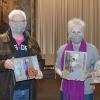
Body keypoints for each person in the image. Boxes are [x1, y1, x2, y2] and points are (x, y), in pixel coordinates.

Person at [0, 9, 43, 100]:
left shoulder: (32, 41)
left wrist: (39, 71)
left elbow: (39, 61)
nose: (19, 24)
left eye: (22, 21)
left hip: (29, 89)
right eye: (16, 21)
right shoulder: (1, 40)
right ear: (10, 22)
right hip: (8, 90)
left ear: (25, 22)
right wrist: (4, 64)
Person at [55, 18, 99, 100]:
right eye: (73, 32)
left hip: (86, 91)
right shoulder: (62, 49)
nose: (76, 35)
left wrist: (88, 75)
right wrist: (61, 74)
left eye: (79, 32)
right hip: (66, 90)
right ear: (69, 33)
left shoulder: (92, 49)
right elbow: (56, 67)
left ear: (83, 33)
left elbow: (99, 70)